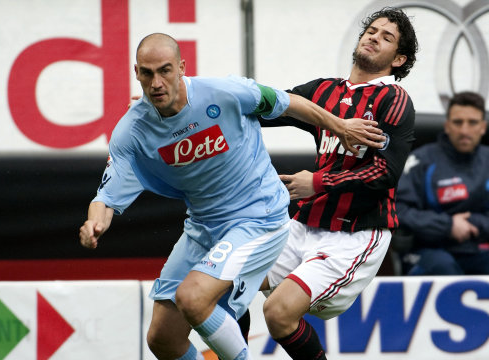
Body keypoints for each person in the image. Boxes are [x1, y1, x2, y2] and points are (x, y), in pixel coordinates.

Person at [79, 33, 384, 360]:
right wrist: (94, 223)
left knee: (194, 298)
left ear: (182, 68)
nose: (156, 82)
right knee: (162, 338)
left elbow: (289, 102)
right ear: (136, 72)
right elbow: (107, 196)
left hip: (259, 218)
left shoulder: (225, 92)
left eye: (165, 70)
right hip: (203, 228)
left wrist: (339, 127)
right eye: (148, 73)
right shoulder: (131, 131)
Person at [257, 7, 418, 359]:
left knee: (278, 313)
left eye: (386, 37)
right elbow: (263, 106)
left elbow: (385, 173)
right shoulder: (324, 91)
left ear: (399, 58)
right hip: (302, 224)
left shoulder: (393, 100)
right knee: (227, 286)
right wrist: (189, 100)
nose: (374, 36)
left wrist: (318, 181)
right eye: (371, 30)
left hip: (354, 233)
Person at [395, 91, 489, 275]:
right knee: (443, 267)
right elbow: (398, 210)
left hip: (477, 248)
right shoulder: (420, 161)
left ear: (483, 127)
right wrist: (447, 226)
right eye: (457, 122)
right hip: (427, 250)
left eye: (472, 122)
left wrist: (472, 223)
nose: (464, 130)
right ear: (446, 126)